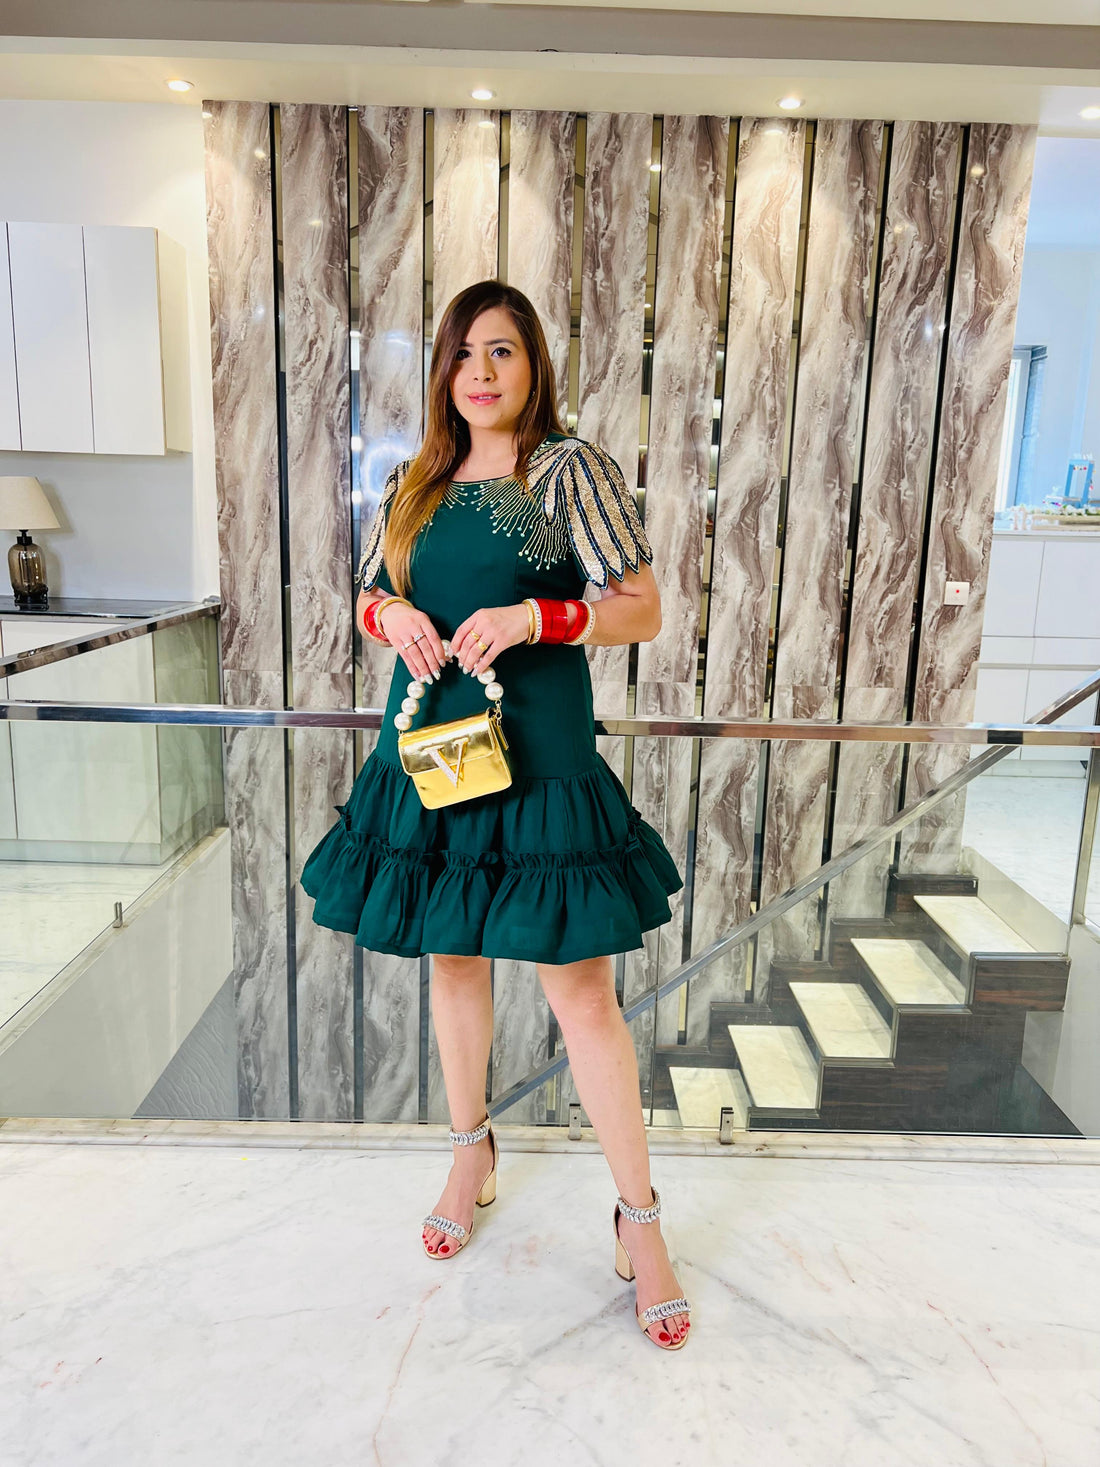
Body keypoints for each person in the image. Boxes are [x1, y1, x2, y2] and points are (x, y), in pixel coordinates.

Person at [300, 279, 691, 1350]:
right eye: (465, 353)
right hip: (433, 758)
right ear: (443, 370)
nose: (481, 371)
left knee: (582, 997)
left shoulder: (565, 471)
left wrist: (535, 614)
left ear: (533, 367)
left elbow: (642, 606)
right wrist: (392, 620)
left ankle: (639, 1217)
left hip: (539, 766)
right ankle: (469, 1149)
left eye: (503, 351)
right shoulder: (417, 481)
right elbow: (368, 591)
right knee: (452, 962)